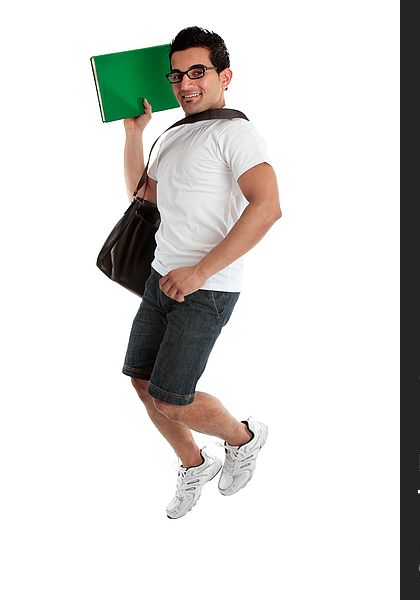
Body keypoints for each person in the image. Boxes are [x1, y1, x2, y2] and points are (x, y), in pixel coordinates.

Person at [121, 26, 281, 519]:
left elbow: (268, 207)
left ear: (223, 75)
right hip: (160, 278)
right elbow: (141, 198)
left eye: (198, 71)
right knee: (142, 383)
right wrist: (134, 135)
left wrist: (198, 272)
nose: (186, 83)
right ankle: (194, 464)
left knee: (171, 397)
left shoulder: (236, 132)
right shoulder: (174, 135)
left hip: (207, 288)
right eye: (177, 74)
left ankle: (244, 438)